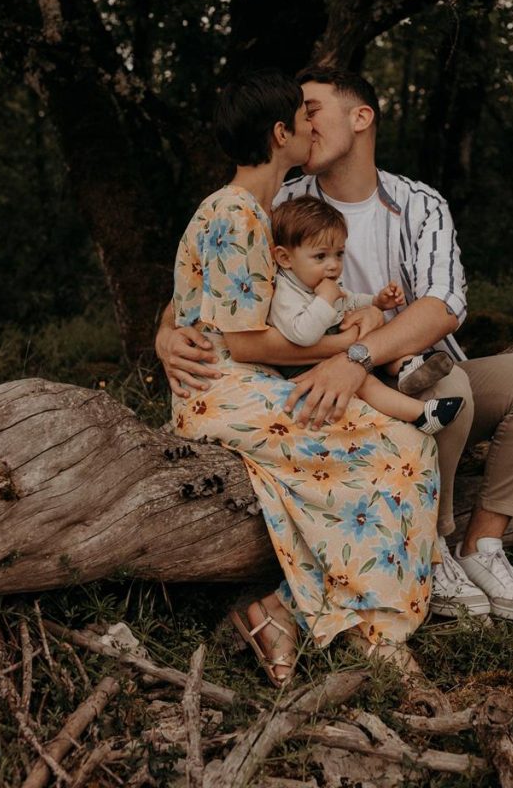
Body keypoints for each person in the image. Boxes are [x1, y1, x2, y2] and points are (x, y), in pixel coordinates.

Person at [157, 66, 513, 624]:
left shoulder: (419, 203)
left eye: (314, 109)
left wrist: (357, 354)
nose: (306, 121)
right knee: (446, 393)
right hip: (323, 374)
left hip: (392, 362)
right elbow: (216, 281)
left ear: (361, 117)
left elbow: (443, 305)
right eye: (299, 114)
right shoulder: (280, 201)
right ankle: (434, 549)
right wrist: (165, 333)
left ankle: (484, 547)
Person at [169, 68, 442, 689]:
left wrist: (358, 313)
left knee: (402, 443)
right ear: (278, 134)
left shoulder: (267, 211)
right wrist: (352, 344)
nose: (311, 125)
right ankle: (377, 634)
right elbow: (239, 340)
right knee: (399, 447)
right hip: (221, 391)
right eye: (302, 117)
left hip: (243, 384)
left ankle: (286, 613)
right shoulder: (237, 212)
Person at [269, 194, 463, 434]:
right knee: (365, 382)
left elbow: (348, 300)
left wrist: (376, 302)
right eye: (321, 256)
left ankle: (408, 367)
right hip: (308, 365)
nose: (333, 265)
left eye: (339, 254)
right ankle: (422, 414)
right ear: (285, 258)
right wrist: (326, 299)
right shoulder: (285, 292)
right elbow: (302, 335)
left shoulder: (317, 281)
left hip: (336, 347)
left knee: (381, 341)